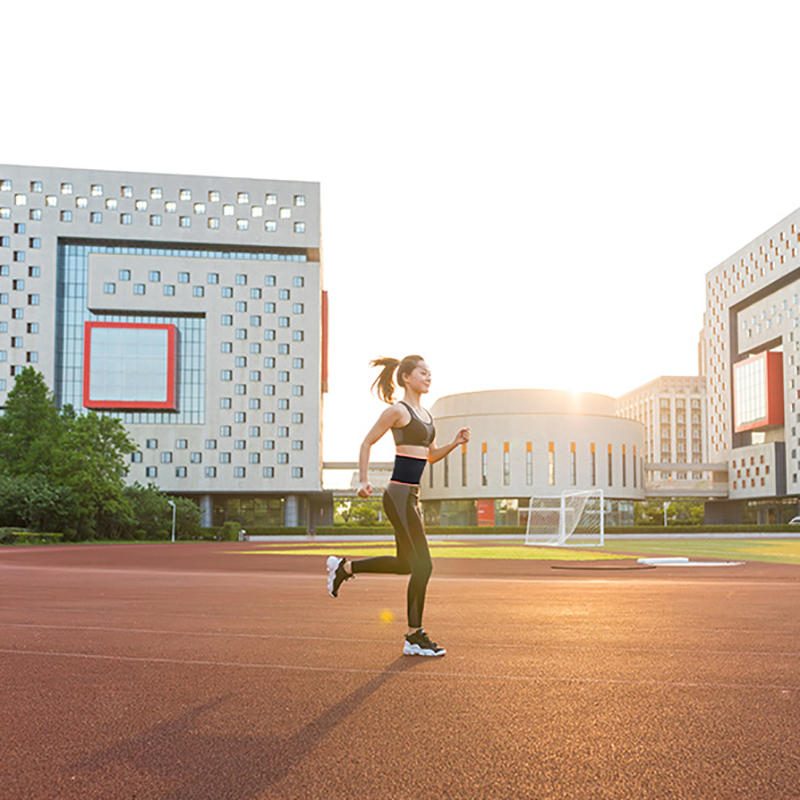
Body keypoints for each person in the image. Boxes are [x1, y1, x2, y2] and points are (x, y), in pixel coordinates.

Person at [326, 355, 470, 657]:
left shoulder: (427, 416)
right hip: (398, 495)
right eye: (423, 372)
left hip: (412, 497)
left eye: (430, 373)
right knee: (424, 565)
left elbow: (429, 456)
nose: (428, 377)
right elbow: (366, 442)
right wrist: (362, 480)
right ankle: (414, 635)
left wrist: (454, 444)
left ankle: (345, 568)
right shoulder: (397, 411)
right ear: (406, 377)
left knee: (406, 564)